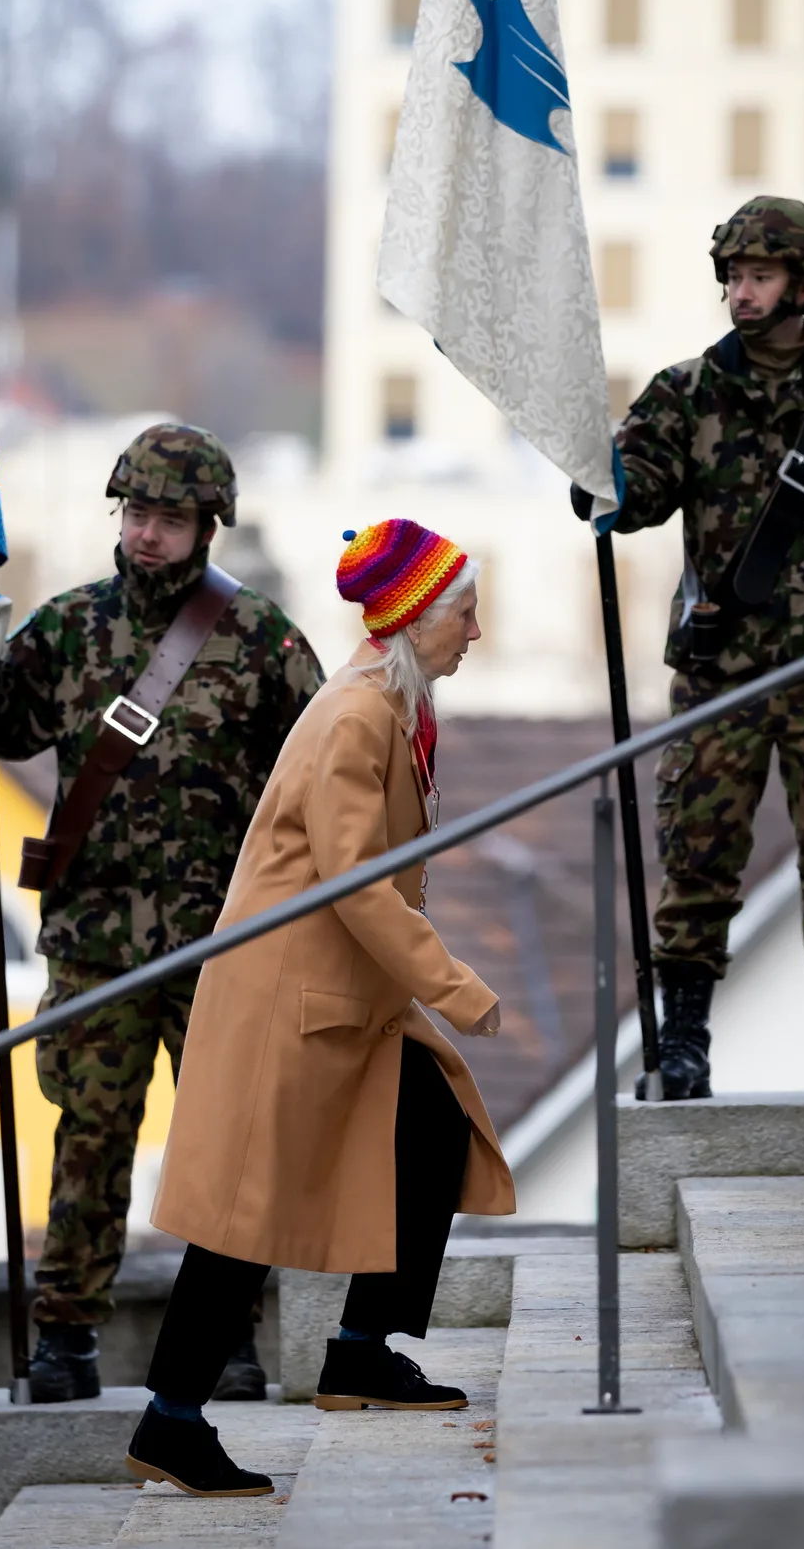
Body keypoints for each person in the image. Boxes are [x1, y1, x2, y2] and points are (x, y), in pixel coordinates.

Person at [124, 518, 515, 1498]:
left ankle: (359, 1350)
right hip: (288, 995)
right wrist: (456, 986)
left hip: (336, 991)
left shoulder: (390, 703)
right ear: (418, 615)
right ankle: (170, 1419)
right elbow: (356, 880)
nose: (476, 627)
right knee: (239, 1216)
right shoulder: (356, 715)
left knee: (429, 1125)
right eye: (464, 609)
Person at [0, 424, 324, 1403]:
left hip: (224, 943)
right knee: (90, 1135)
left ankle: (228, 1334)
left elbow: (326, 778)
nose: (146, 534)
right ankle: (65, 1336)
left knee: (227, 1144)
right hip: (97, 943)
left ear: (208, 524)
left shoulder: (265, 640)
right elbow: (6, 730)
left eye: (167, 516)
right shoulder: (69, 625)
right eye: (135, 513)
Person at [582, 198, 804, 1102]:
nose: (741, 292)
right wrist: (602, 484)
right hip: (720, 669)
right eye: (734, 276)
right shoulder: (688, 392)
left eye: (761, 275)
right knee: (698, 857)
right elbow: (641, 496)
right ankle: (687, 1043)